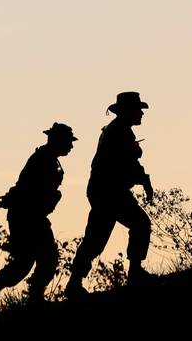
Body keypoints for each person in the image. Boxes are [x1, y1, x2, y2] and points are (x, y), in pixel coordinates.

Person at [0, 122, 77, 313]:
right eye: (68, 142)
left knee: (26, 261)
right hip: (27, 216)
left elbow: (24, 185)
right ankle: (33, 298)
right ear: (58, 141)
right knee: (43, 258)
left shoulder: (48, 159)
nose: (70, 146)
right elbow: (26, 187)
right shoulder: (43, 159)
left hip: (29, 215)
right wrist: (13, 199)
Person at [66, 92, 156, 298]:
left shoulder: (117, 131)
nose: (141, 113)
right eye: (137, 109)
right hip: (109, 190)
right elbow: (127, 163)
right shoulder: (120, 132)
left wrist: (143, 179)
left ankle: (74, 282)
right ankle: (134, 274)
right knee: (139, 224)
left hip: (106, 190)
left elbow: (128, 163)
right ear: (127, 111)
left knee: (95, 239)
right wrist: (145, 180)